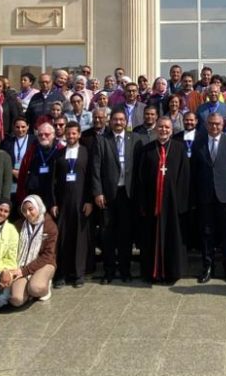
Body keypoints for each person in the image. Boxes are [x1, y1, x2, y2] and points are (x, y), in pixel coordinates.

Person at [132, 116, 191, 284]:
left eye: (166, 127)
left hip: (172, 205)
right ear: (156, 129)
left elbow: (185, 177)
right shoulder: (147, 149)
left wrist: (181, 204)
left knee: (172, 238)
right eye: (160, 127)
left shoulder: (179, 148)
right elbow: (140, 178)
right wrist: (142, 203)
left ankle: (171, 273)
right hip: (152, 203)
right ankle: (152, 273)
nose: (163, 130)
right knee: (150, 238)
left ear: (172, 130)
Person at [190, 113, 226, 284]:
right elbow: (194, 170)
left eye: (218, 124)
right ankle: (208, 267)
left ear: (223, 125)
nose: (214, 127)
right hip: (205, 196)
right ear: (207, 125)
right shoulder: (198, 142)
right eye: (211, 124)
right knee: (207, 233)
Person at [93, 110, 147, 283]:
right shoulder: (102, 140)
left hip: (128, 194)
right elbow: (95, 169)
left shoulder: (136, 139)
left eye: (121, 119)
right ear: (110, 121)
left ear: (126, 121)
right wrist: (98, 192)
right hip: (108, 195)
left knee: (126, 234)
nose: (118, 122)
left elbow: (140, 168)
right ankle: (109, 271)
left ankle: (125, 270)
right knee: (108, 233)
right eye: (115, 119)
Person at [50, 122, 93, 288]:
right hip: (62, 203)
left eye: (74, 133)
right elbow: (52, 181)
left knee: (79, 239)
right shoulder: (59, 154)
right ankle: (62, 273)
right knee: (62, 238)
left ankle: (78, 274)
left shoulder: (85, 153)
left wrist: (89, 200)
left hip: (81, 202)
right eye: (68, 134)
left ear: (79, 134)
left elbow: (91, 178)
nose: (71, 136)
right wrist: (53, 203)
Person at [11, 195, 58, 306]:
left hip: (45, 263)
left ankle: (44, 285)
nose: (27, 213)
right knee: (16, 300)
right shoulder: (19, 225)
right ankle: (28, 288)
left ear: (38, 207)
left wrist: (25, 271)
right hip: (23, 263)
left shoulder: (49, 226)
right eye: (24, 210)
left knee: (36, 288)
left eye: (30, 209)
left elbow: (48, 255)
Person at [16, 123, 60, 207]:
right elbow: (22, 175)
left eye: (47, 134)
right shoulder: (31, 151)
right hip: (35, 195)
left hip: (54, 196)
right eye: (40, 135)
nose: (43, 137)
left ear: (53, 135)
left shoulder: (60, 150)